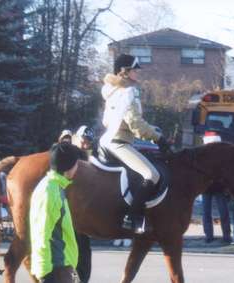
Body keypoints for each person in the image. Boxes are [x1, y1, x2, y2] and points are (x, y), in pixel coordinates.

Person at [99, 53, 169, 234]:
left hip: (110, 139)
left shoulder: (112, 90)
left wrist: (152, 130)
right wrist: (158, 138)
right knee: (151, 174)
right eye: (134, 71)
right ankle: (132, 218)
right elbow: (136, 125)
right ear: (124, 72)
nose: (137, 74)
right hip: (119, 142)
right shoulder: (129, 92)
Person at [30, 142, 80, 283]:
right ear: (68, 168)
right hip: (56, 269)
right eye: (76, 164)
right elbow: (42, 232)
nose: (77, 167)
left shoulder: (54, 186)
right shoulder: (51, 192)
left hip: (60, 265)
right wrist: (45, 273)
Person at [59, 127, 93, 283]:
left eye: (88, 142)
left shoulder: (84, 156)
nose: (86, 145)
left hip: (79, 214)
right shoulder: (70, 157)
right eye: (83, 141)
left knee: (83, 250)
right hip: (69, 213)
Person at [201, 131, 231, 243]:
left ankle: (226, 235)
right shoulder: (202, 155)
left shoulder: (222, 156)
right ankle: (209, 235)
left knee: (223, 212)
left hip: (219, 187)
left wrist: (226, 186)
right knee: (206, 212)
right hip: (206, 187)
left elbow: (227, 172)